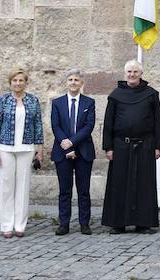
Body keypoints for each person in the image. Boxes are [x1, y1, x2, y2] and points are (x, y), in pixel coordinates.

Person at [101, 59, 160, 234]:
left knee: (144, 185)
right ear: (125, 74)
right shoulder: (116, 95)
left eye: (135, 72)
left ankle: (143, 223)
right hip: (121, 146)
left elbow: (157, 121)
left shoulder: (151, 94)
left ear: (141, 74)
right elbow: (108, 122)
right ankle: (118, 223)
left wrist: (158, 146)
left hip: (145, 145)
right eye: (129, 72)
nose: (132, 75)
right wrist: (108, 147)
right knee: (119, 184)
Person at [0, 69, 44, 238]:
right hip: (5, 148)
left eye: (21, 80)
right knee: (6, 187)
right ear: (10, 82)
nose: (18, 83)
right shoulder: (3, 100)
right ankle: (6, 225)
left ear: (26, 82)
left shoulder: (33, 101)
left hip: (26, 148)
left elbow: (38, 126)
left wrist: (39, 150)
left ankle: (20, 225)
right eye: (15, 80)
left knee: (23, 187)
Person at [50, 69, 95, 236]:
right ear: (66, 83)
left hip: (83, 151)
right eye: (70, 79)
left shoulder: (89, 103)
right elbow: (55, 126)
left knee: (83, 190)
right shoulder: (57, 103)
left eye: (77, 79)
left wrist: (72, 143)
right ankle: (64, 223)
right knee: (65, 190)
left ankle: (84, 223)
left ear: (81, 83)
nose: (73, 82)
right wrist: (67, 148)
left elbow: (88, 126)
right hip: (62, 152)